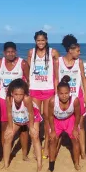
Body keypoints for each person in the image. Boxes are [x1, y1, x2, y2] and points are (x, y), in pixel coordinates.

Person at [27, 31, 59, 160]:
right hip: (34, 89)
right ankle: (37, 146)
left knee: (47, 118)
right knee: (35, 118)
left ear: (46, 40)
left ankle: (46, 146)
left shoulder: (53, 52)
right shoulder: (31, 53)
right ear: (35, 41)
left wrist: (56, 90)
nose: (40, 43)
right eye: (38, 40)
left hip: (48, 89)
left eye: (43, 40)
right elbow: (29, 70)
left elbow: (57, 73)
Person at [56, 34, 86, 159]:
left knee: (81, 125)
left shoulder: (79, 62)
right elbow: (56, 79)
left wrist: (85, 95)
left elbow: (84, 78)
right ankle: (52, 149)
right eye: (77, 51)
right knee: (59, 122)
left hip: (77, 96)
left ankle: (83, 151)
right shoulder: (58, 61)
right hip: (64, 96)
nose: (79, 53)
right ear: (70, 50)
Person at [2, 79, 43, 171]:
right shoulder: (9, 99)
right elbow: (9, 113)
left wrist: (32, 127)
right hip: (18, 116)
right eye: (16, 94)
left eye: (21, 94)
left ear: (24, 94)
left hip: (32, 117)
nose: (18, 97)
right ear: (12, 93)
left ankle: (39, 163)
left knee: (35, 136)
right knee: (8, 136)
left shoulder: (27, 99)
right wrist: (10, 127)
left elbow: (31, 113)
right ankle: (5, 164)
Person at [0, 42, 30, 154]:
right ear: (4, 53)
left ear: (16, 52)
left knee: (23, 127)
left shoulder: (23, 63)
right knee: (4, 126)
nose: (10, 54)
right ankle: (5, 151)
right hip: (3, 98)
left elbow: (29, 81)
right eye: (8, 52)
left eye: (12, 52)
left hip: (19, 100)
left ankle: (25, 153)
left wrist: (25, 98)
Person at [47, 76, 82, 171]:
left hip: (70, 120)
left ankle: (76, 163)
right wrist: (53, 131)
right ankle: (51, 165)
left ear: (70, 92)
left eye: (66, 93)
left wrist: (75, 128)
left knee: (75, 139)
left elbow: (78, 115)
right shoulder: (52, 101)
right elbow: (50, 116)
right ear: (57, 93)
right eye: (61, 93)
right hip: (56, 121)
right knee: (53, 140)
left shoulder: (75, 100)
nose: (64, 96)